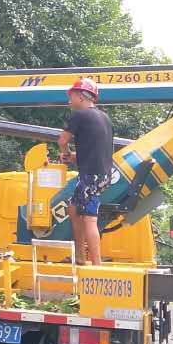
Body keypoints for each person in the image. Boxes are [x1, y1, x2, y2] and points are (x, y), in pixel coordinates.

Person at [57, 77, 114, 266]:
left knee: (89, 218)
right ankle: (80, 256)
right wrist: (73, 156)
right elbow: (96, 149)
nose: (68, 101)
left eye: (71, 96)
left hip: (90, 175)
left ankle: (97, 265)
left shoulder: (79, 115)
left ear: (81, 96)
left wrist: (65, 154)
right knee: (73, 210)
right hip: (102, 173)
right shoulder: (104, 118)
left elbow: (62, 141)